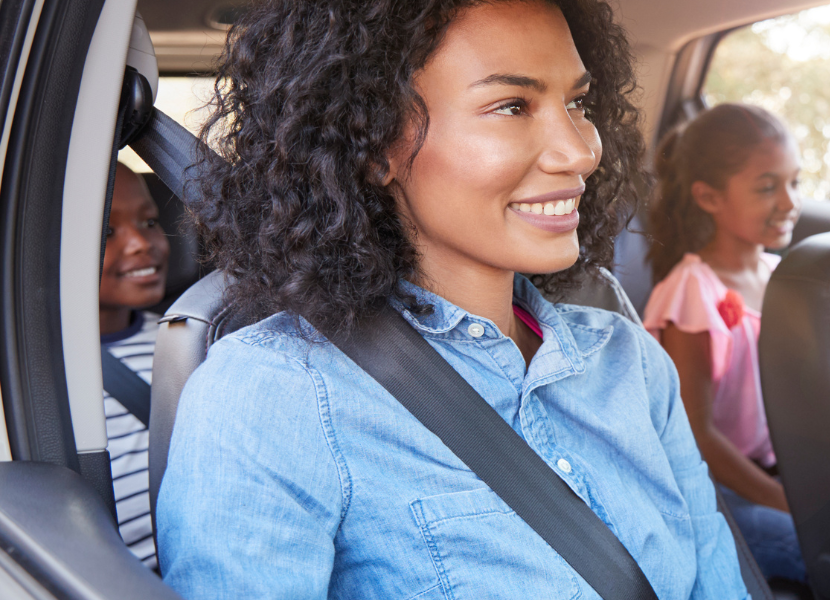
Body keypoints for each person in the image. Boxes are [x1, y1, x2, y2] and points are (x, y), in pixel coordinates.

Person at [154, 1, 746, 598]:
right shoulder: (276, 395)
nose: (578, 152)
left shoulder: (628, 358)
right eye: (512, 106)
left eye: (577, 104)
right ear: (374, 145)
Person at [641, 103, 806, 583]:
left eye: (794, 182)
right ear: (709, 197)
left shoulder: (781, 276)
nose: (790, 202)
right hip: (719, 490)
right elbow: (698, 434)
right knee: (822, 543)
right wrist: (785, 502)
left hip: (776, 471)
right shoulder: (693, 291)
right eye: (767, 187)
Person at [99, 162, 169, 569]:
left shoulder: (184, 338)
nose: (142, 243)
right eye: (107, 231)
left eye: (149, 221)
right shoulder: (33, 374)